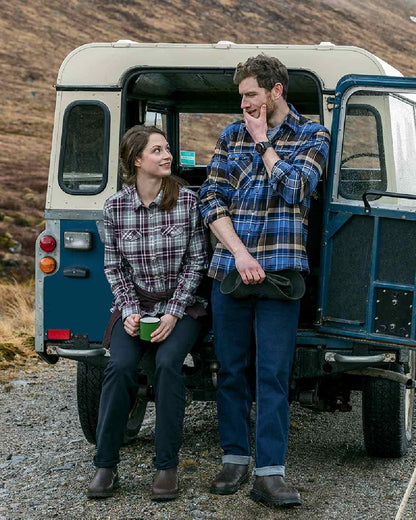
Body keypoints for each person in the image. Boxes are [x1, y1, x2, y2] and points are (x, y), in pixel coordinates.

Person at [199, 54, 330, 507]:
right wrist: (238, 253)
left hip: (281, 273)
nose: (244, 105)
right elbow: (210, 199)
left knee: (273, 375)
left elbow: (296, 189)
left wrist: (261, 143)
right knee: (230, 370)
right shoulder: (228, 135)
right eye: (241, 97)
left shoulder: (313, 134)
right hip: (230, 272)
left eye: (250, 94)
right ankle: (234, 459)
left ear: (276, 91)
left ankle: (269, 475)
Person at [87, 125, 208, 501]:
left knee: (169, 364)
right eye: (158, 150)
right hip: (136, 307)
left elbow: (197, 263)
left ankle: (166, 468)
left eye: (167, 148)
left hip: (184, 308)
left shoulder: (188, 202)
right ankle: (105, 467)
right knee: (119, 366)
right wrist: (128, 311)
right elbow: (114, 268)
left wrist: (173, 313)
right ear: (137, 160)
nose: (167, 155)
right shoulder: (115, 207)